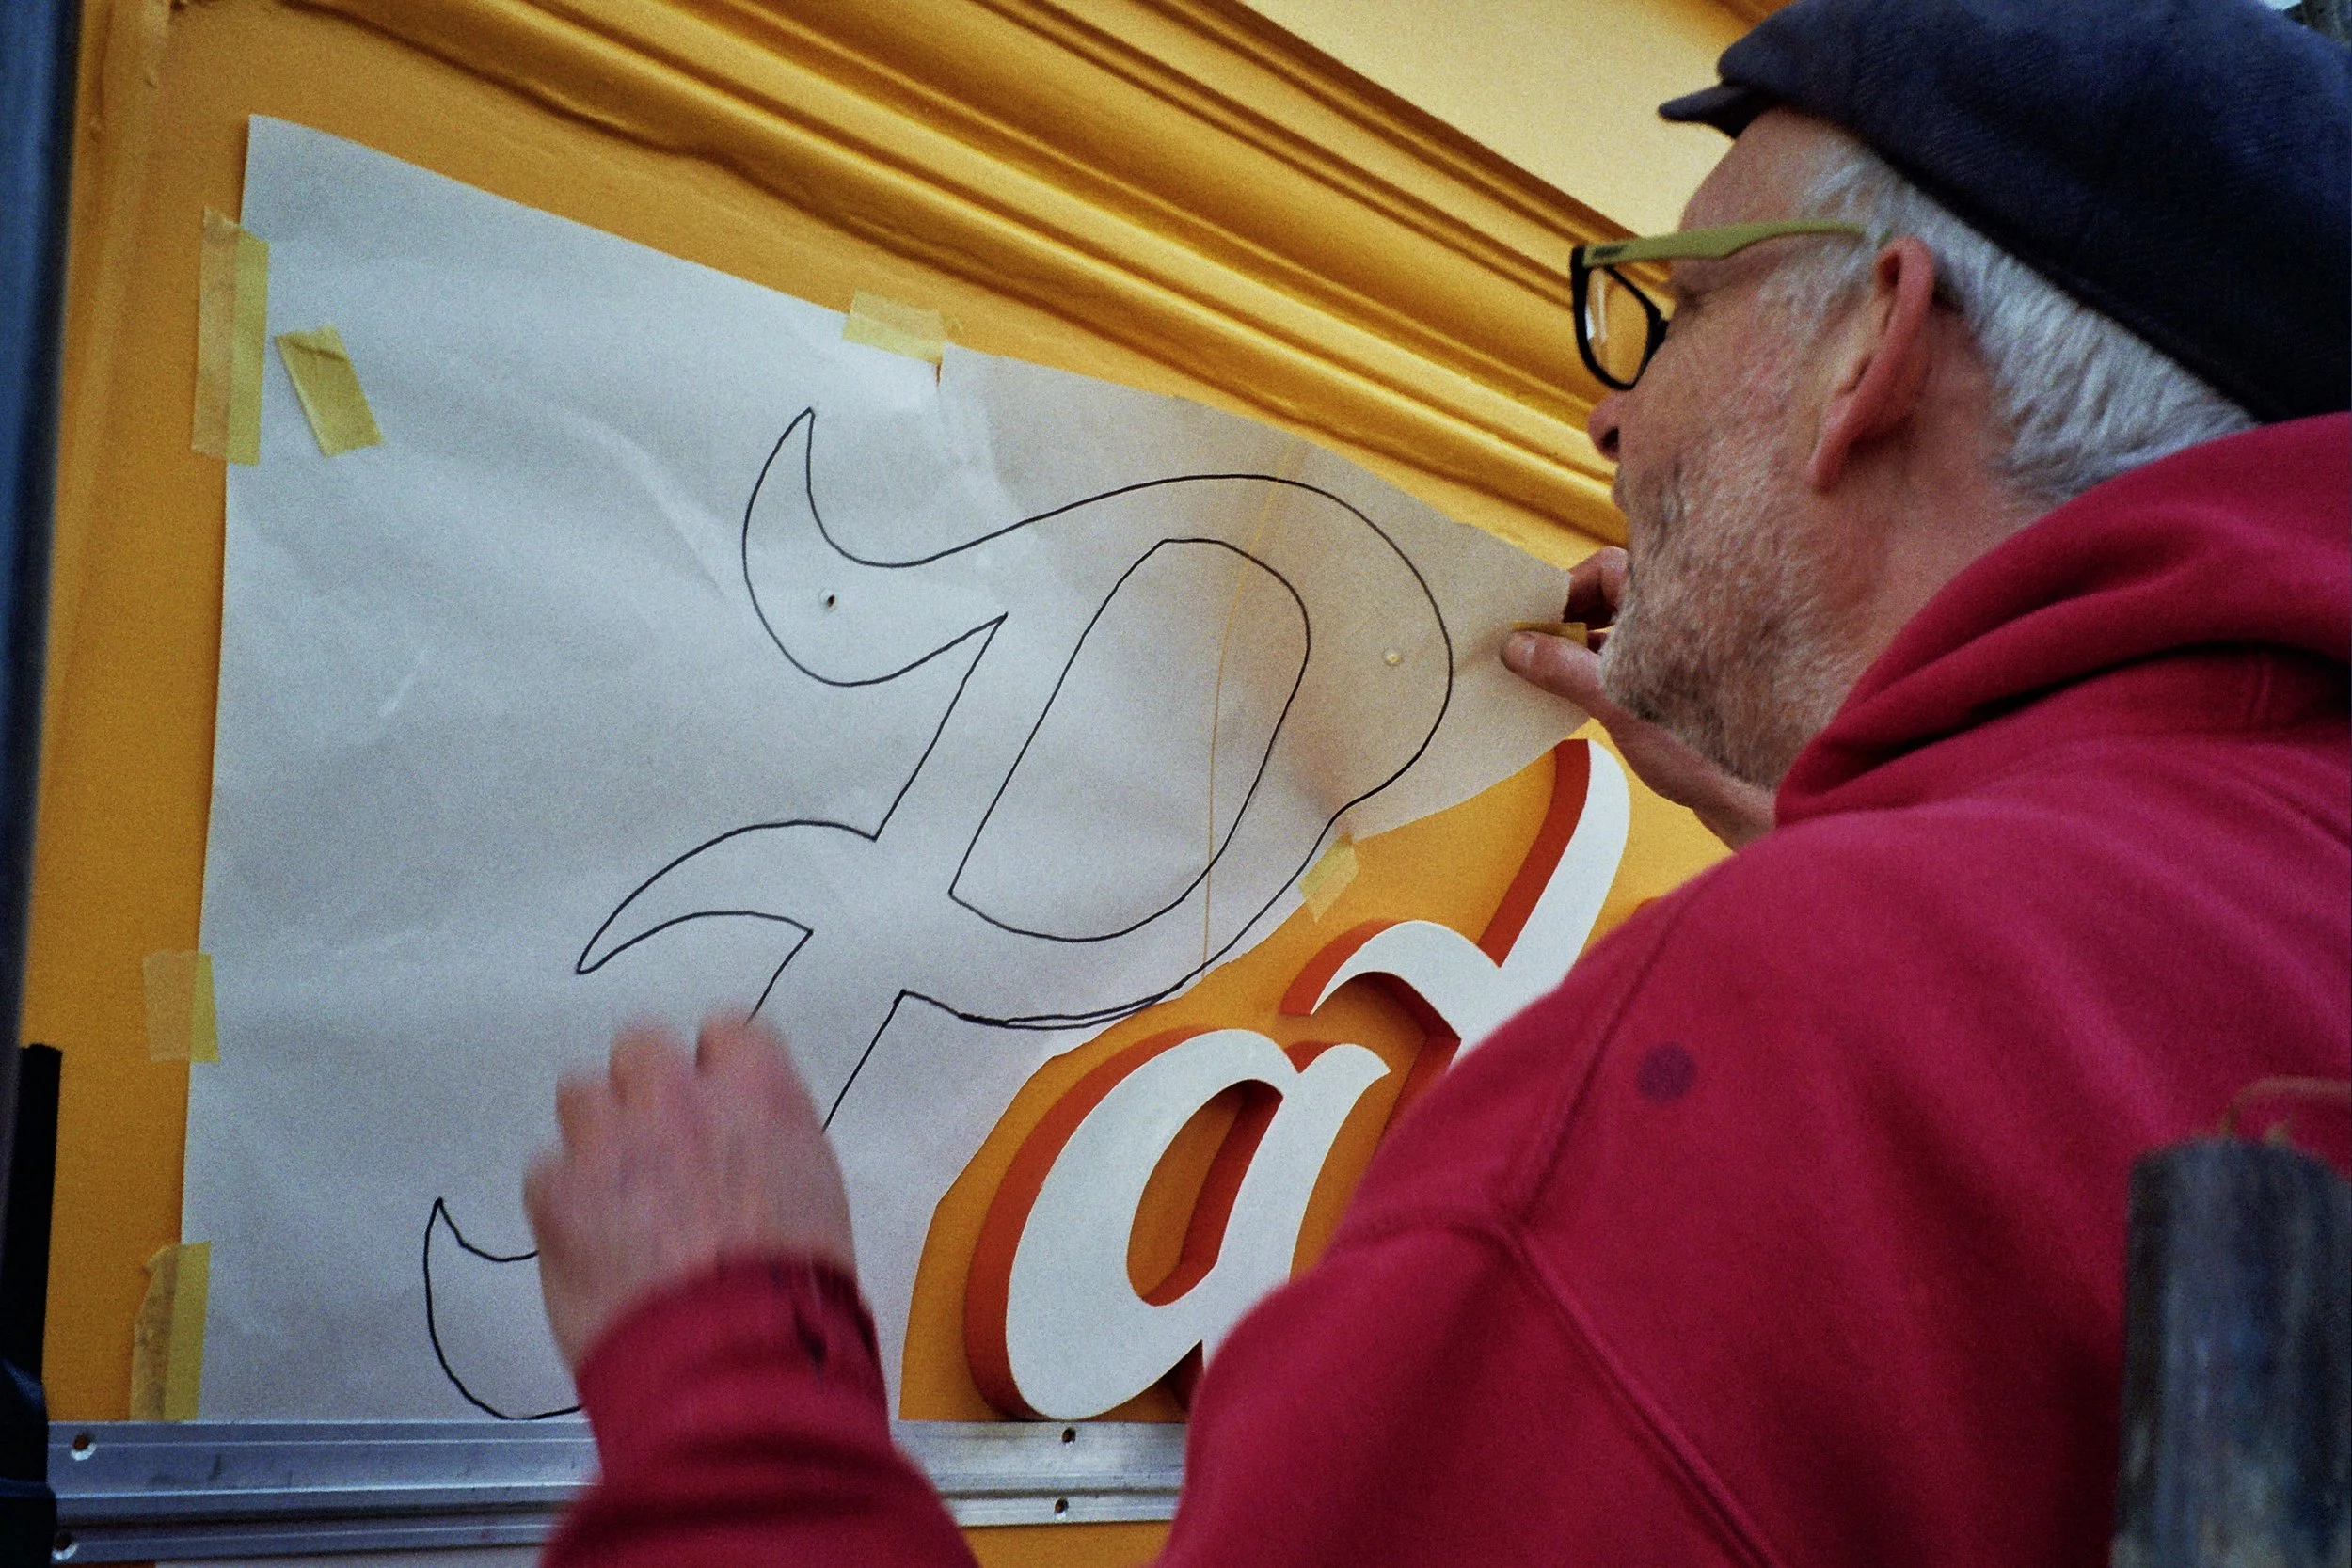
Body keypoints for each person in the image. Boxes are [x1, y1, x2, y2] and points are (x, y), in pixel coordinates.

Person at [523, 0, 2351, 1561]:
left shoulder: (1762, 1053)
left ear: (1867, 344)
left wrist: (723, 1393)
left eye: (1662, 310)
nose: (1605, 418)